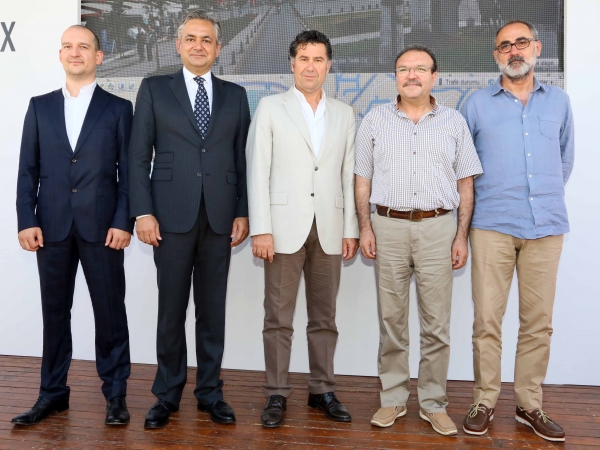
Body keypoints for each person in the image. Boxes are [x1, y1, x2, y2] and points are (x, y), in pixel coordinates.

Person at [128, 10, 250, 429]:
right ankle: (167, 394)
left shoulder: (236, 95)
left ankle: (210, 393)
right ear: (178, 45)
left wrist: (242, 210)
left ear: (218, 48)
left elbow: (241, 160)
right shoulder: (154, 89)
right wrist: (143, 211)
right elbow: (138, 156)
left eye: (207, 40)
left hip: (220, 219)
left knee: (212, 312)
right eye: (191, 39)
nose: (199, 46)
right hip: (169, 218)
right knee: (171, 311)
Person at [354, 45, 483, 436]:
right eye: (403, 69)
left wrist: (461, 236)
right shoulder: (374, 120)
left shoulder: (454, 122)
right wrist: (365, 227)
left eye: (420, 69)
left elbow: (466, 184)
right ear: (395, 77)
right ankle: (393, 399)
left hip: (438, 229)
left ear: (434, 76)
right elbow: (362, 180)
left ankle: (433, 403)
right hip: (387, 228)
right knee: (391, 322)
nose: (411, 75)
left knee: (436, 325)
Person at [13, 25, 133, 426]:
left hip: (104, 229)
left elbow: (129, 173)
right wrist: (26, 219)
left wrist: (123, 221)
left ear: (99, 56)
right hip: (51, 227)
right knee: (54, 314)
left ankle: (116, 395)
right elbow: (27, 170)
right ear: (60, 55)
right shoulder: (40, 106)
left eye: (83, 46)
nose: (75, 52)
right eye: (68, 46)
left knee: (110, 314)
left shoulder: (118, 109)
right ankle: (52, 394)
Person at [460, 20, 574, 442]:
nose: (514, 51)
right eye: (505, 46)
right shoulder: (476, 104)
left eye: (521, 42)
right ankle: (484, 400)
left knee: (538, 323)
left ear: (536, 48)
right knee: (487, 320)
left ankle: (529, 405)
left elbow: (564, 159)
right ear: (496, 55)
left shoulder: (559, 101)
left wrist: (542, 194)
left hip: (546, 226)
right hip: (491, 225)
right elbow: (463, 167)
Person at [246, 30, 359, 428]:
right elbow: (257, 170)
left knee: (325, 317)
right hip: (281, 229)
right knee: (278, 317)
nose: (311, 66)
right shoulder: (270, 107)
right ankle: (276, 393)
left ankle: (321, 390)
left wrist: (350, 228)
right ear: (292, 64)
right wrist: (261, 228)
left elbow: (348, 176)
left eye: (319, 59)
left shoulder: (345, 113)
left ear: (329, 65)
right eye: (304, 59)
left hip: (330, 227)